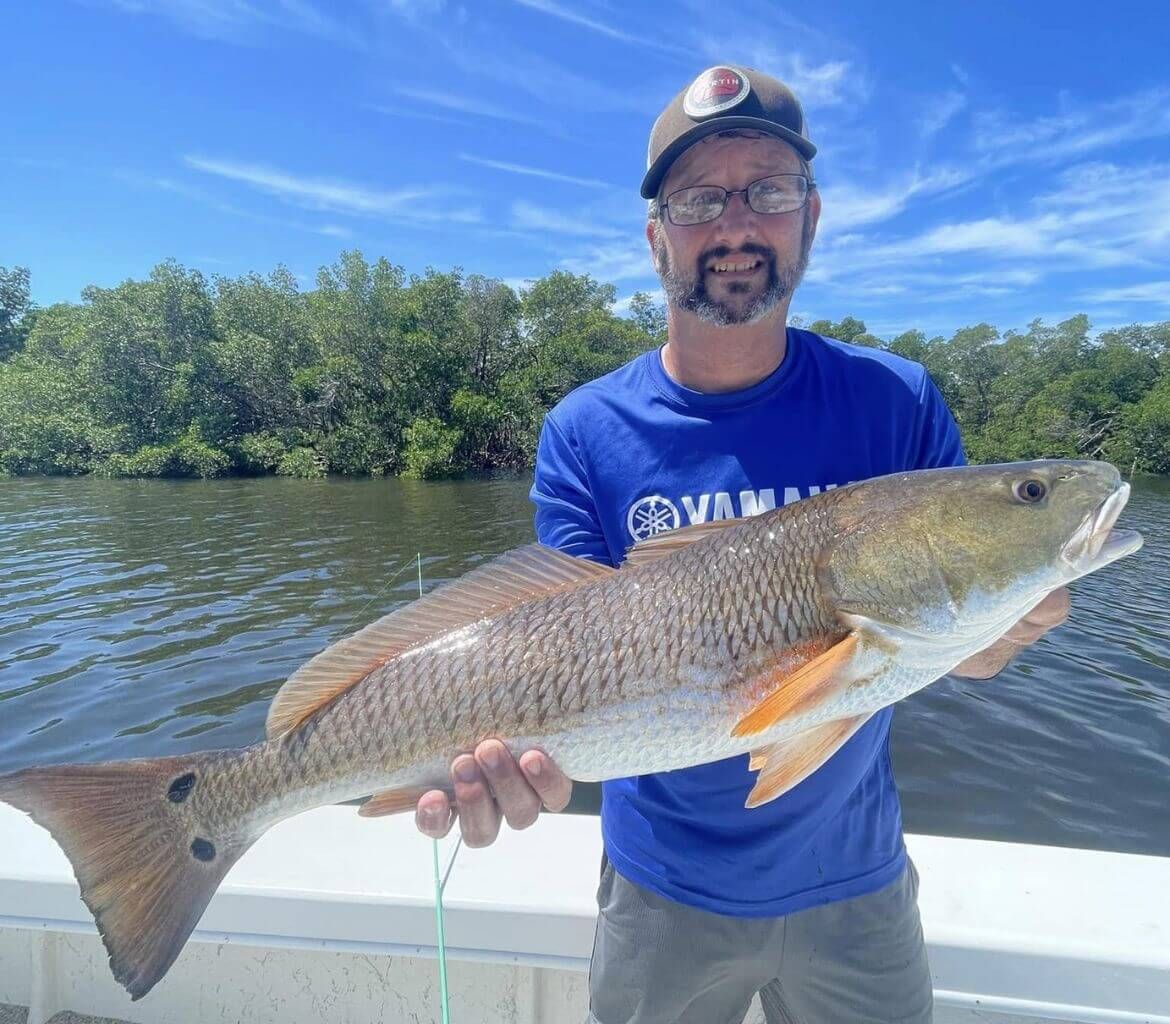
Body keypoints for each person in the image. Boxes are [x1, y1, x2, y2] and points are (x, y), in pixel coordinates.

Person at [414, 66, 1070, 1023]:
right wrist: (505, 771)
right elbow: (546, 642)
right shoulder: (584, 431)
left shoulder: (898, 402)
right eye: (697, 199)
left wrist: (1004, 621)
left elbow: (955, 655)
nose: (735, 224)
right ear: (655, 237)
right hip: (660, 896)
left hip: (860, 887)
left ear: (811, 217)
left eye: (768, 190)